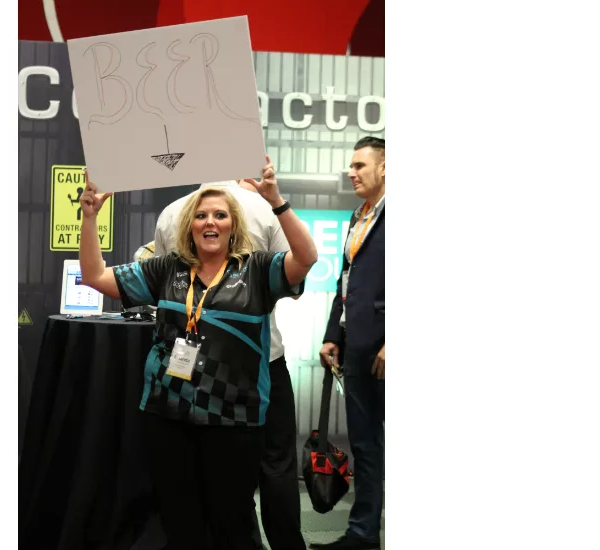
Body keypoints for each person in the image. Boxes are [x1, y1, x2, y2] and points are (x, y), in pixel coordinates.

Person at [78, 157, 317, 550]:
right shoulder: (165, 269)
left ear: (232, 225)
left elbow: (306, 258)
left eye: (220, 215)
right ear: (188, 224)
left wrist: (277, 201)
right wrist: (89, 218)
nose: (210, 222)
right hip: (168, 413)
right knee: (180, 520)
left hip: (234, 418)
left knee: (231, 522)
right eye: (202, 215)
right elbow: (94, 276)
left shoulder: (257, 270)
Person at [154, 178, 307, 550]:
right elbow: (297, 281)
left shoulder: (172, 212)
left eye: (220, 218)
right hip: (259, 363)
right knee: (273, 466)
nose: (212, 223)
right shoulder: (261, 208)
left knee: (199, 476)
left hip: (191, 371)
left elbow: (164, 284)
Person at [311, 136, 385, 550]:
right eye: (350, 166)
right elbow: (346, 283)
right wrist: (331, 336)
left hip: (386, 350)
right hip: (357, 349)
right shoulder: (359, 217)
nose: (350, 172)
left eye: (359, 165)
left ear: (386, 167)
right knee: (365, 445)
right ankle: (363, 536)